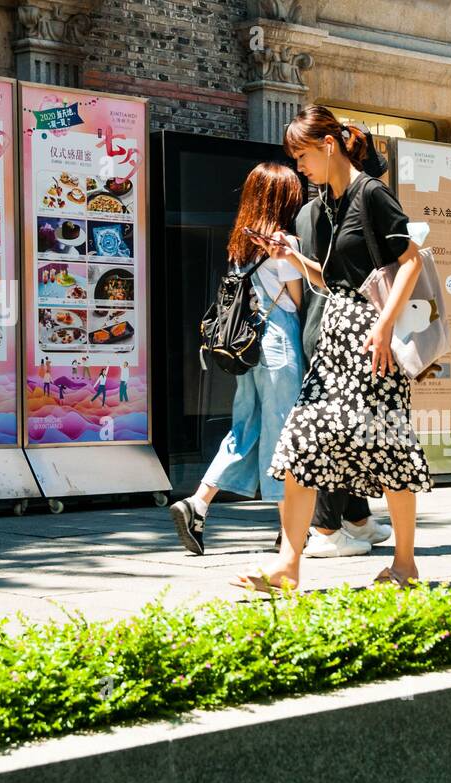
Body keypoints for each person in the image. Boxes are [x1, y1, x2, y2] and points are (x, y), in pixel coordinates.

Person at [230, 104, 431, 591]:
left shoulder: (371, 194)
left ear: (328, 145)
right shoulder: (318, 210)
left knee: (388, 447)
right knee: (300, 444)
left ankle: (405, 563)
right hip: (335, 337)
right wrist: (293, 257)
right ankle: (287, 565)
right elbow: (331, 279)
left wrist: (383, 328)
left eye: (302, 156)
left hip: (373, 339)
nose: (299, 167)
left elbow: (410, 263)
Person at [168, 161, 307, 558]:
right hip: (279, 345)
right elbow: (296, 302)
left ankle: (198, 503)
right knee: (285, 434)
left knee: (244, 428)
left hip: (246, 348)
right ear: (284, 199)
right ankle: (290, 531)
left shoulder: (240, 245)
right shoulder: (285, 243)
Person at [295, 147, 393, 558]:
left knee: (355, 427)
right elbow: (342, 273)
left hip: (327, 324)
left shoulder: (313, 210)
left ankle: (355, 518)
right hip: (339, 328)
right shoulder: (332, 209)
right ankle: (323, 527)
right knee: (338, 429)